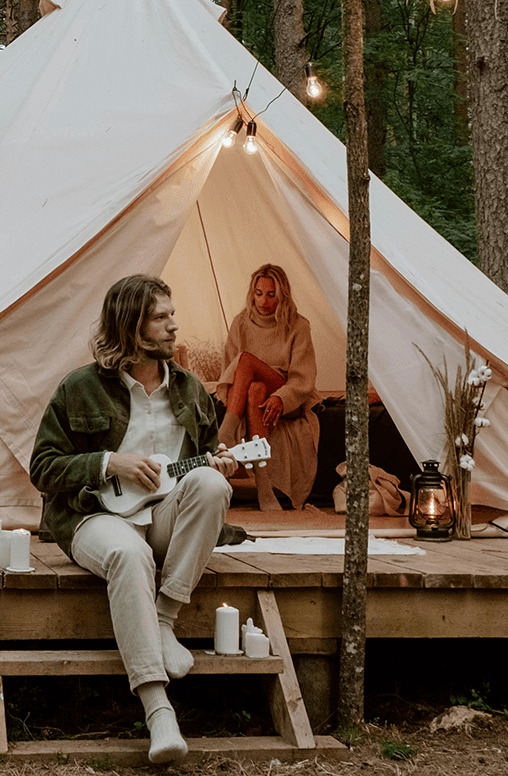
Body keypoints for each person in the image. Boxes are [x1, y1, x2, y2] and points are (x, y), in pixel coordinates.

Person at [30, 274, 242, 765]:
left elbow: (208, 455)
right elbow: (43, 468)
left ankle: (165, 617)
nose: (174, 326)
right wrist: (108, 463)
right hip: (94, 515)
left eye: (173, 315)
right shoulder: (80, 387)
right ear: (131, 326)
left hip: (163, 517)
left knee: (212, 485)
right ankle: (157, 709)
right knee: (129, 554)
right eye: (161, 317)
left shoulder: (189, 389)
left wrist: (222, 461)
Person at [215, 264, 321, 511]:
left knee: (245, 360)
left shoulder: (298, 325)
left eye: (271, 294)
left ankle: (226, 432)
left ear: (282, 295)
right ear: (252, 293)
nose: (263, 300)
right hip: (258, 395)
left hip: (289, 398)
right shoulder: (240, 322)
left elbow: (303, 378)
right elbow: (229, 375)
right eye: (259, 293)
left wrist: (282, 397)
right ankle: (263, 483)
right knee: (254, 390)